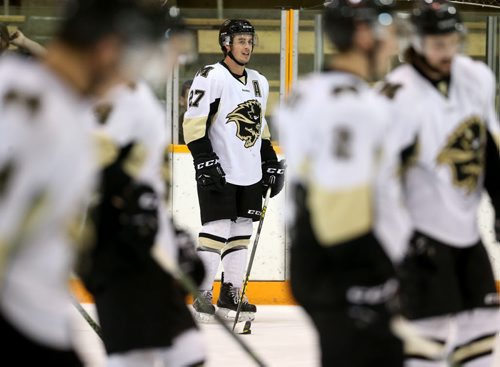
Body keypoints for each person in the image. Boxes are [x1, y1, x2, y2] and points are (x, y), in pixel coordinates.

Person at [0, 0, 165, 365]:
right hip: (22, 325)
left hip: (39, 319)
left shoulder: (55, 104)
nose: (126, 81)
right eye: (129, 65)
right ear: (107, 51)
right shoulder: (42, 112)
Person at [274, 1, 410, 366]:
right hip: (347, 267)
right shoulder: (355, 107)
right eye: (388, 33)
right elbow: (341, 210)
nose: (393, 45)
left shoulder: (303, 91)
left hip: (315, 257)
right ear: (364, 35)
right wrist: (378, 278)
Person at [78, 11, 207, 366]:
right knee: (137, 360)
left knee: (189, 353)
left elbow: (144, 183)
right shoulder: (109, 99)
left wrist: (169, 231)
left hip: (151, 251)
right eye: (171, 50)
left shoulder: (140, 99)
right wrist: (129, 202)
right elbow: (91, 169)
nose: (174, 61)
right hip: (119, 254)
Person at [379, 1, 500, 366]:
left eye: (451, 42)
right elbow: (380, 180)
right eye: (436, 44)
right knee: (425, 338)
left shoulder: (476, 77)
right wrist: (394, 241)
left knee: (481, 325)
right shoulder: (397, 96)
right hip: (419, 236)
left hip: (465, 233)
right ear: (415, 42)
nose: (446, 52)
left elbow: (487, 147)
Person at [183, 18, 285, 323]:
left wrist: (270, 162)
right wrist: (203, 159)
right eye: (241, 41)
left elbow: (260, 128)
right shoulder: (210, 76)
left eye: (250, 41)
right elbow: (193, 122)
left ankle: (232, 292)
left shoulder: (259, 81)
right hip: (219, 167)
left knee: (242, 231)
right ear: (226, 43)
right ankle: (202, 293)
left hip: (249, 170)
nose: (247, 46)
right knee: (217, 230)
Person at [178, 79, 192, 144]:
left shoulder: (210, 127)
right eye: (190, 97)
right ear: (181, 101)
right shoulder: (174, 130)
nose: (194, 101)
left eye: (198, 97)